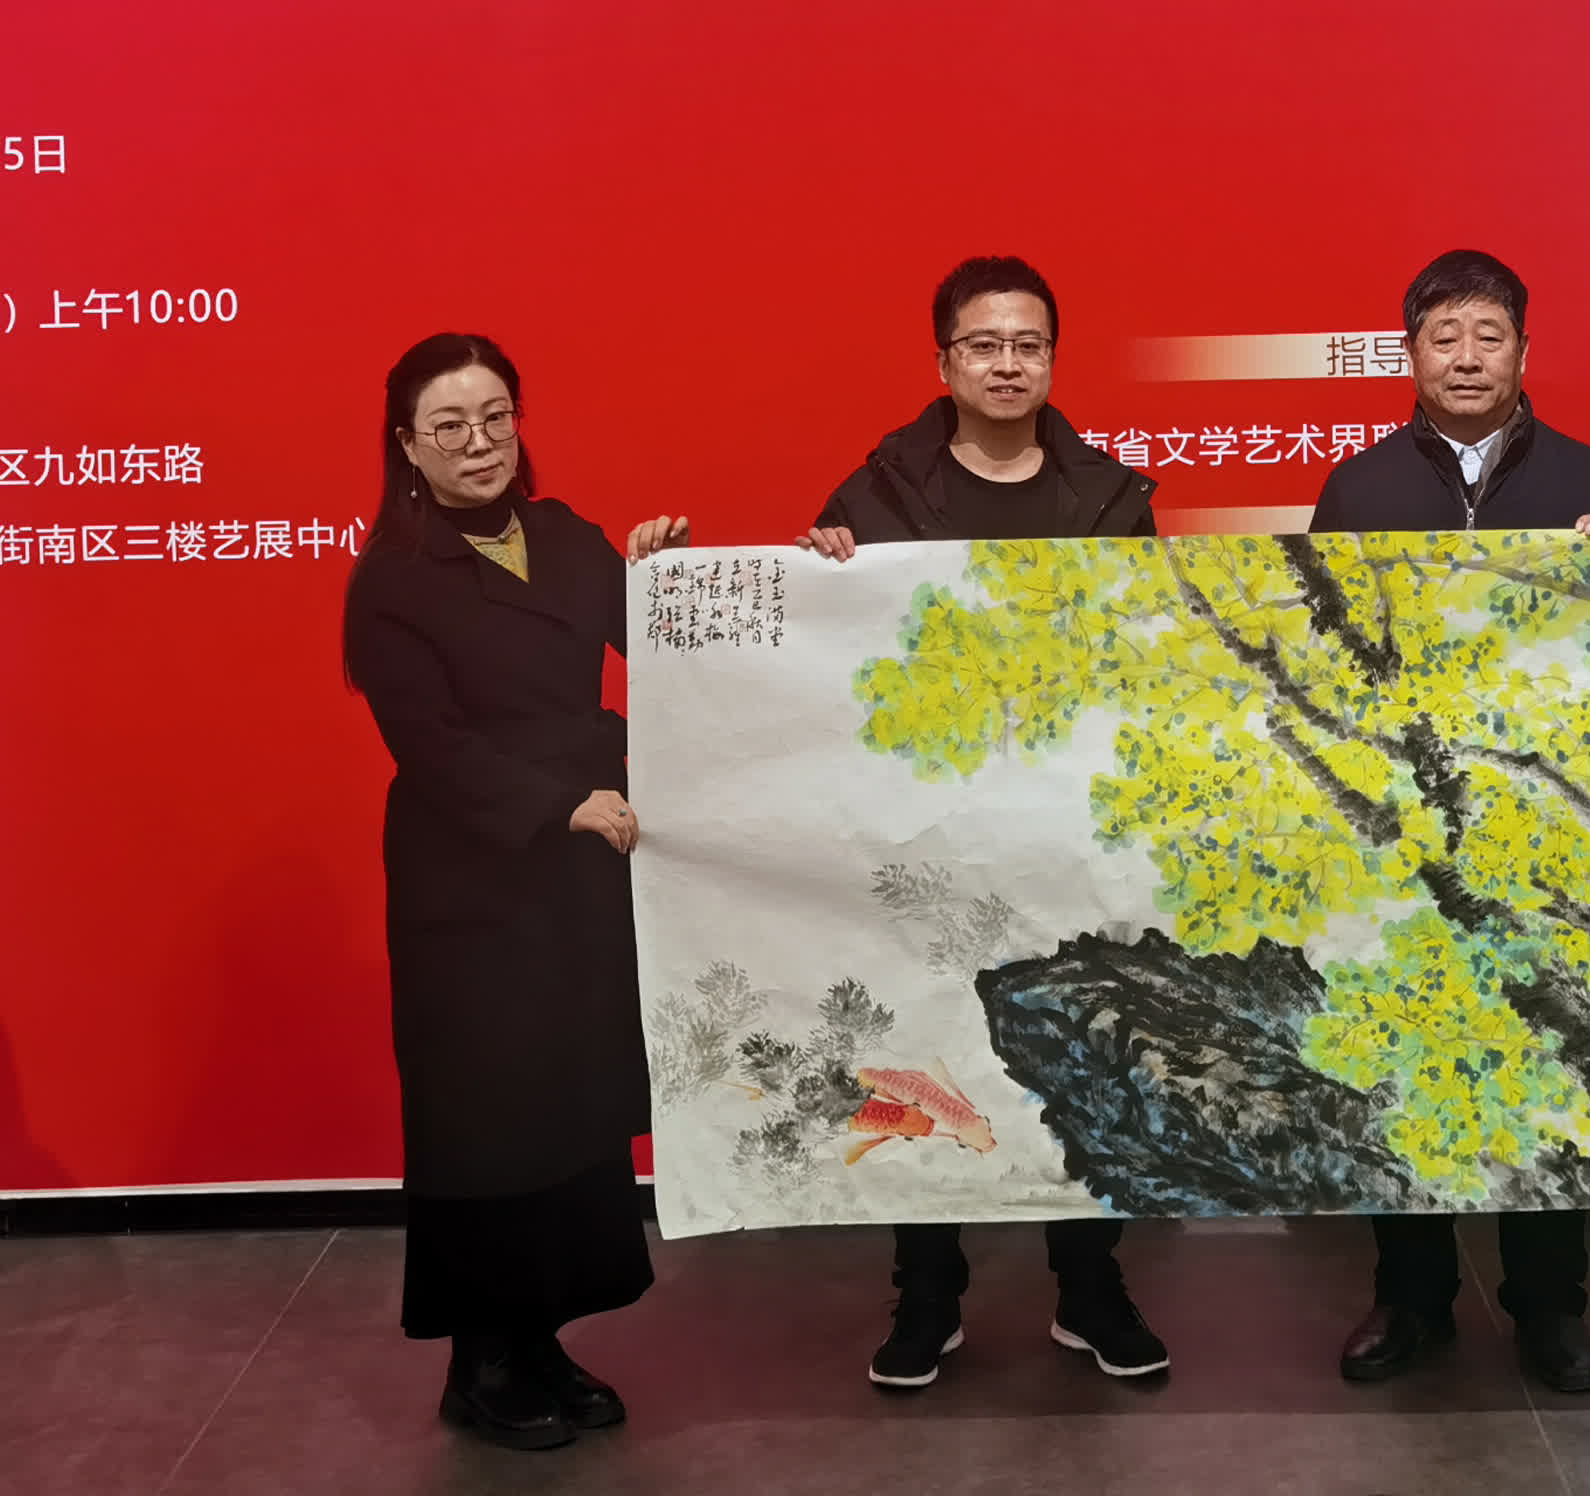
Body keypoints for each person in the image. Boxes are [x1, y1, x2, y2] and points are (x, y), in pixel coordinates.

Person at [628, 256, 1168, 1390]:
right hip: (923, 836)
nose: (1007, 363)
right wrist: (819, 574)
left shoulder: (1113, 499)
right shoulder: (877, 495)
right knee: (921, 1047)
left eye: (1027, 344)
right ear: (944, 362)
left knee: (1081, 1045)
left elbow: (1148, 657)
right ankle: (926, 1296)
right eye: (984, 344)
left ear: (1052, 360)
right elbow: (823, 668)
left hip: (1065, 828)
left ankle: (1091, 1289)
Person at [1309, 249, 1590, 1393]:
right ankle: (1410, 1294)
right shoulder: (1356, 491)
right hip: (1402, 832)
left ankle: (1549, 1303)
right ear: (1408, 353)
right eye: (1443, 334)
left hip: (1540, 832)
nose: (1465, 356)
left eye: (1487, 335)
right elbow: (1323, 650)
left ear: (1522, 351)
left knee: (1547, 1058)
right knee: (1405, 1058)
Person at [342, 333, 653, 1451]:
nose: (478, 444)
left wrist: (665, 574)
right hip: (474, 883)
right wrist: (556, 803)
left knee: (569, 1104)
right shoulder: (392, 581)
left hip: (577, 878)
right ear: (407, 444)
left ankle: (541, 1339)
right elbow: (433, 748)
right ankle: (480, 1364)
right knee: (487, 1119)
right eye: (449, 426)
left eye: (495, 418)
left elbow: (658, 642)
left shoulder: (565, 536)